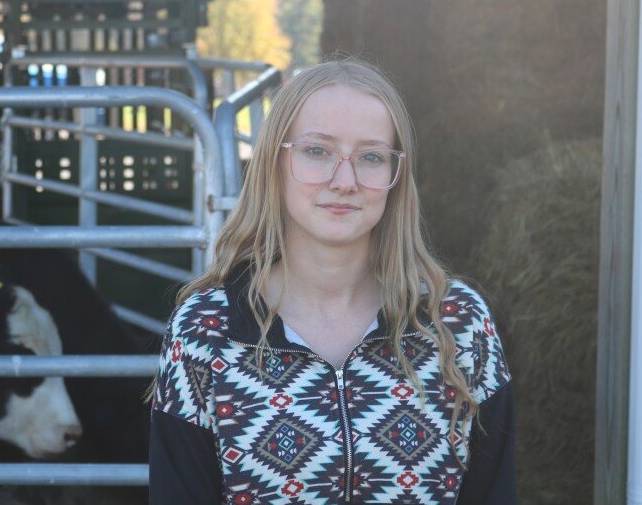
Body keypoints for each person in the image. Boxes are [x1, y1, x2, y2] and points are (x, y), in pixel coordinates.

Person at [149, 58, 516, 504]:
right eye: (318, 151)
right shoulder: (205, 332)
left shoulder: (457, 324)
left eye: (372, 157)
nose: (345, 181)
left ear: (395, 178)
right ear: (274, 163)